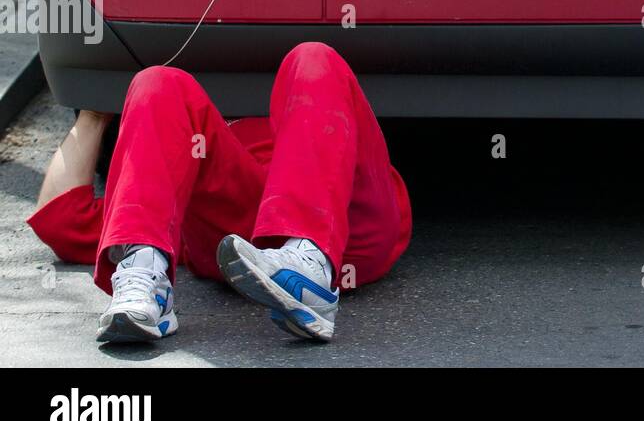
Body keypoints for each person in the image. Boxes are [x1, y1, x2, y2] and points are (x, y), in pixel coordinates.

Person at [27, 42, 411, 345]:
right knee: (156, 80)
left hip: (341, 221)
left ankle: (309, 265)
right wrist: (94, 109)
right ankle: (146, 281)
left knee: (314, 57)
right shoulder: (183, 146)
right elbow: (63, 218)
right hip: (236, 235)